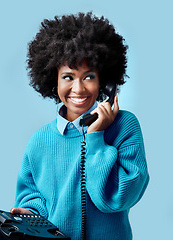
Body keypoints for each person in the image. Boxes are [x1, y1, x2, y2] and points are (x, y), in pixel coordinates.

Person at [10, 12, 149, 240]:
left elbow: (116, 199)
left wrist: (96, 137)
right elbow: (34, 199)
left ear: (104, 81)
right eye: (68, 77)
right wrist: (31, 214)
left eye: (89, 76)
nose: (78, 89)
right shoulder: (39, 141)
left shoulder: (124, 127)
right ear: (52, 80)